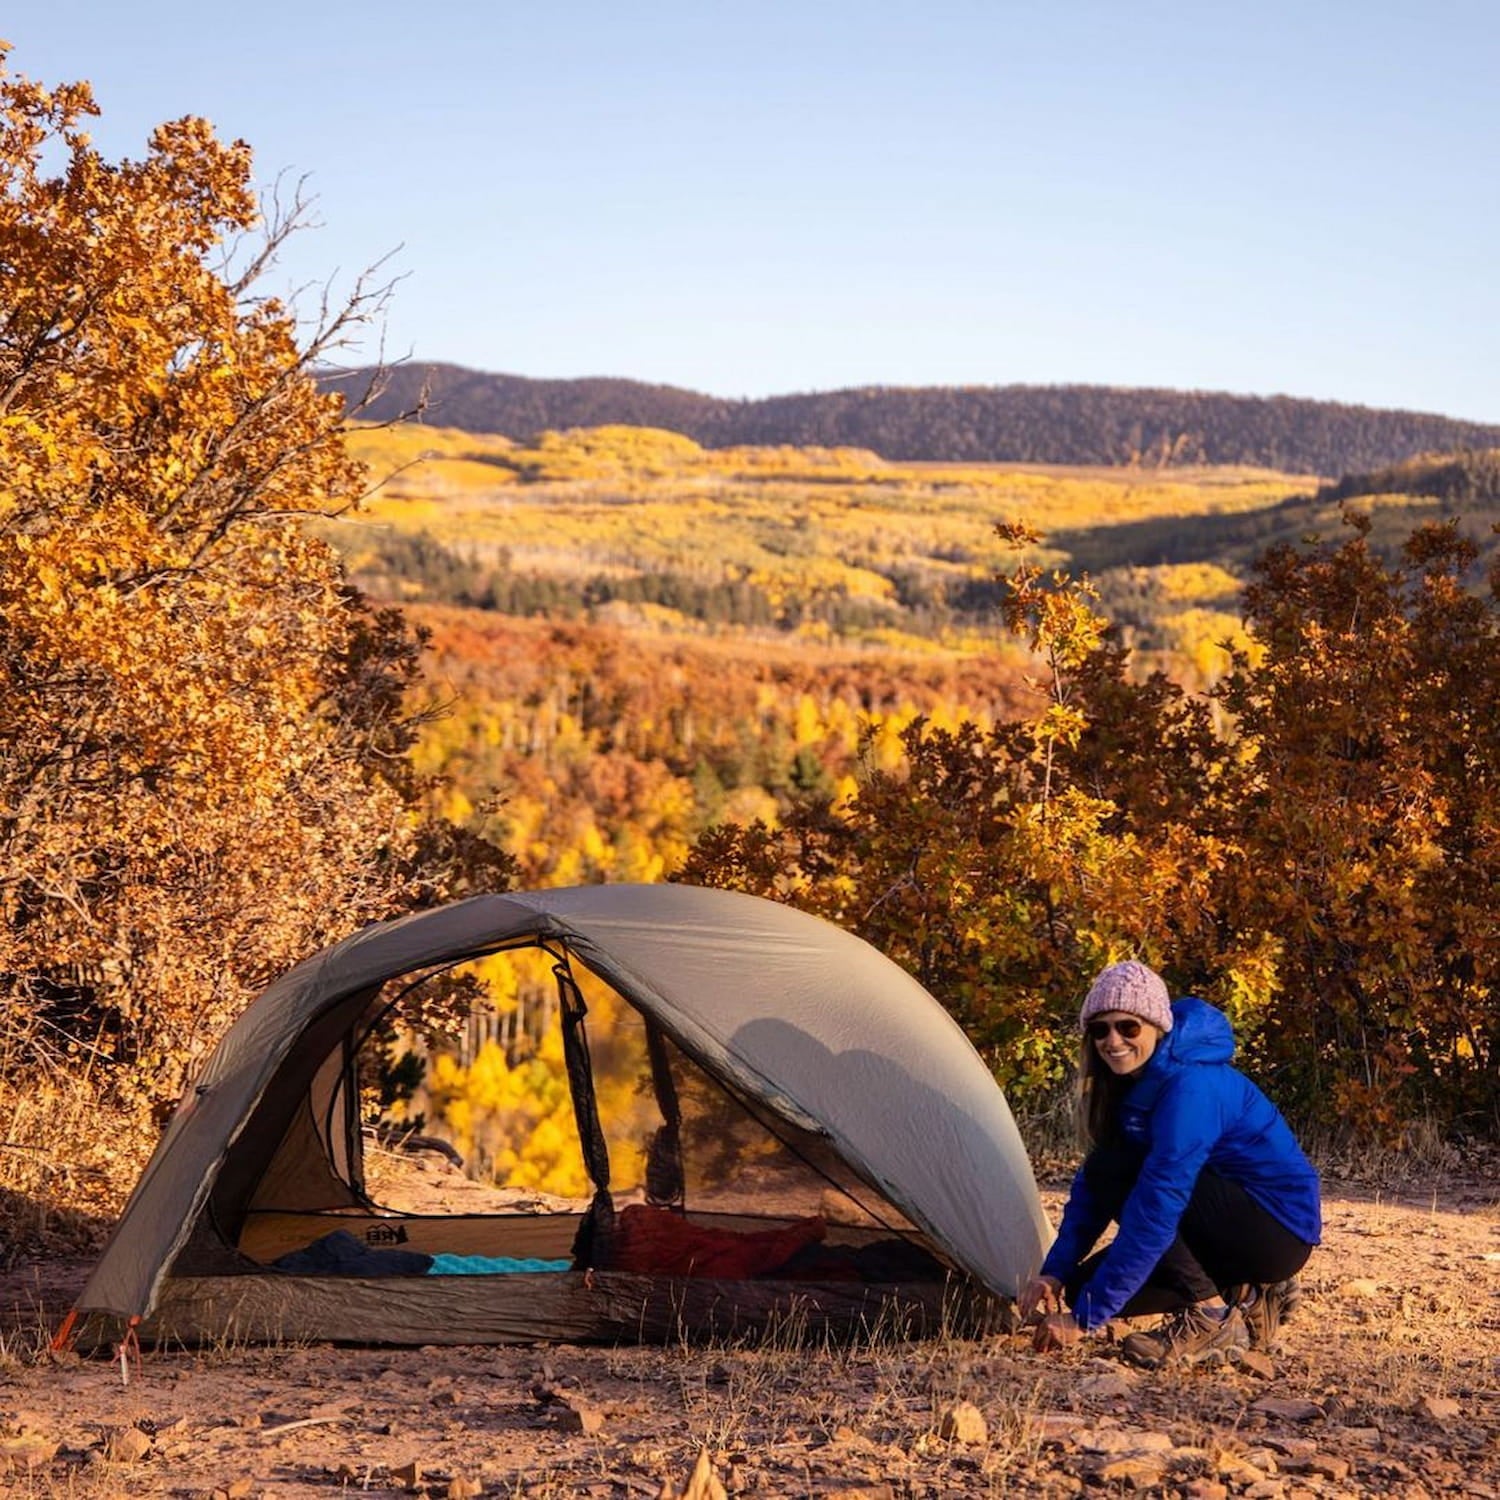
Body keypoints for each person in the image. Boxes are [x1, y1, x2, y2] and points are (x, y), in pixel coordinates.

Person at [1020, 961, 1321, 1368]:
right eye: (1100, 1029)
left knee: (1121, 1174)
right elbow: (1093, 1193)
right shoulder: (1133, 1087)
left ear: (1157, 1027)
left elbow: (1156, 1209)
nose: (1113, 1040)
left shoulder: (1190, 1086)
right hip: (1226, 1227)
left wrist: (1085, 1321)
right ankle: (1250, 1297)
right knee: (1081, 1287)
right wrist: (1054, 1273)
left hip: (1275, 1228)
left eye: (1129, 1027)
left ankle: (1211, 1316)